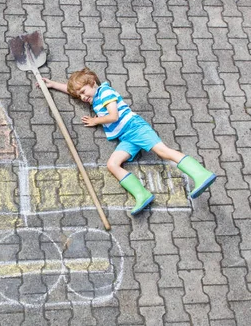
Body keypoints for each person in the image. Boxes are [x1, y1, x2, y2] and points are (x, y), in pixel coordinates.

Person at [37, 67, 216, 215]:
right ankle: (142, 194)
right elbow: (73, 90)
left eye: (83, 92)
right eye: (79, 96)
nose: (82, 98)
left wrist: (95, 120)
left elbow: (113, 116)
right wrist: (52, 84)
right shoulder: (95, 97)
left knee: (163, 151)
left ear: (93, 83)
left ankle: (201, 174)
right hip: (126, 137)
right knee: (113, 164)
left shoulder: (105, 92)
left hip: (135, 127)